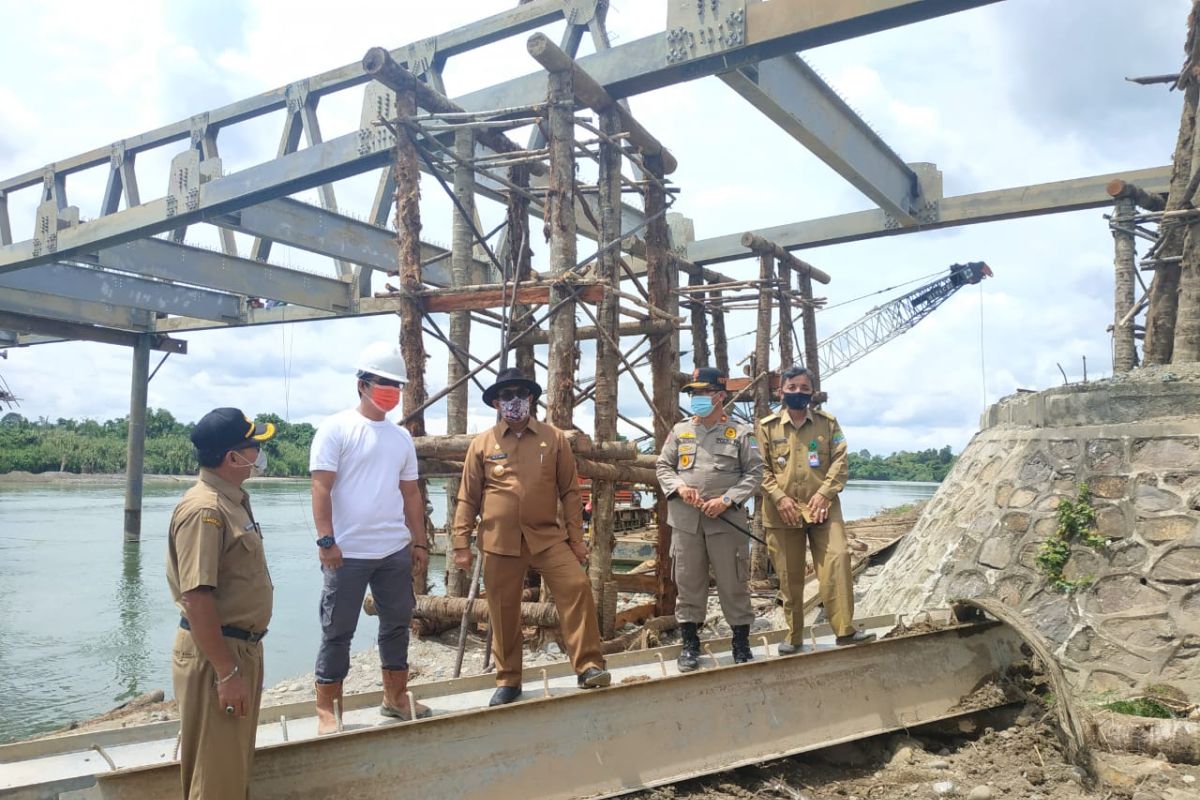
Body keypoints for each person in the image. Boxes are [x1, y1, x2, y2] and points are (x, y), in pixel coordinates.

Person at [451, 367, 610, 706]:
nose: (514, 401)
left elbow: (569, 491)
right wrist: (460, 542)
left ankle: (589, 666)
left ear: (532, 398)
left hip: (546, 536)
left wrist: (576, 539)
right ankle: (509, 680)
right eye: (506, 396)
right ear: (496, 402)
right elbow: (467, 496)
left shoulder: (553, 439)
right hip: (498, 541)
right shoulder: (482, 443)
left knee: (576, 587)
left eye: (520, 394)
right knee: (503, 609)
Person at [308, 341, 432, 734]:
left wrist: (419, 542)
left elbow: (411, 493)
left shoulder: (401, 438)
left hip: (394, 550)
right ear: (362, 384)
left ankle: (394, 698)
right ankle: (328, 709)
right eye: (384, 383)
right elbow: (321, 489)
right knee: (338, 629)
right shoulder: (336, 428)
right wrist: (326, 542)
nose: (392, 392)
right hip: (347, 553)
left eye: (397, 385)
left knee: (397, 623)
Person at [167, 407, 275, 799]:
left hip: (236, 649)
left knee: (230, 769)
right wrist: (227, 673)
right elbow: (196, 598)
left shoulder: (230, 501)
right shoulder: (206, 510)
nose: (259, 453)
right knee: (216, 781)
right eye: (254, 446)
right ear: (233, 458)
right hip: (219, 654)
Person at [755, 365, 876, 653]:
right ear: (780, 392)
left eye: (804, 388)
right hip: (782, 510)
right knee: (789, 575)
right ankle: (793, 637)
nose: (798, 393)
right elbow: (758, 468)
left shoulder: (828, 424)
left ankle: (845, 631)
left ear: (812, 393)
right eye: (792, 388)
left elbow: (840, 461)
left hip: (823, 508)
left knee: (838, 559)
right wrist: (780, 498)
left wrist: (824, 494)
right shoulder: (766, 428)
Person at [655, 366, 764, 671]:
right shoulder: (680, 431)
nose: (696, 399)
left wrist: (727, 500)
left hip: (725, 522)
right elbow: (663, 467)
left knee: (733, 583)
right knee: (688, 583)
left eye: (702, 393)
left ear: (719, 396)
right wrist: (679, 486)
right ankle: (690, 645)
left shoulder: (741, 433)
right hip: (686, 523)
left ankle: (740, 643)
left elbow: (755, 473)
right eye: (693, 394)